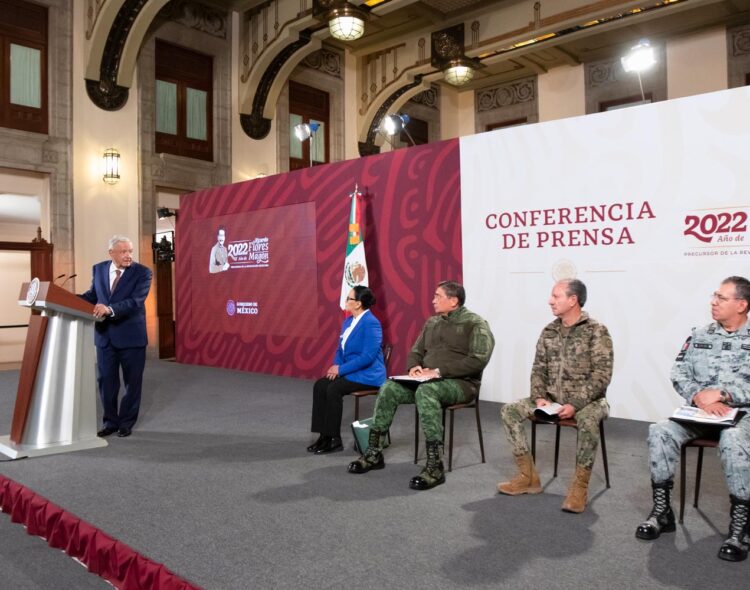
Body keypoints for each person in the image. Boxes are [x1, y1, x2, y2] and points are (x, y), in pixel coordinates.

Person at [635, 276, 750, 562]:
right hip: (700, 412)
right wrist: (700, 396)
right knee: (660, 430)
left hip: (743, 414)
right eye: (714, 296)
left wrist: (722, 394)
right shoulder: (700, 335)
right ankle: (662, 512)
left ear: (742, 304)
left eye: (721, 298)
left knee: (734, 439)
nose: (713, 302)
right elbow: (678, 372)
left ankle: (741, 527)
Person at [348, 280, 495, 490]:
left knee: (427, 391)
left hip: (460, 385)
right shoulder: (432, 323)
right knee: (388, 387)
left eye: (437, 296)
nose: (432, 300)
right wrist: (414, 367)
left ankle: (435, 465)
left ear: (453, 301)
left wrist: (438, 372)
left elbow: (478, 360)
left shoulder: (476, 324)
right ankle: (373, 452)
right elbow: (416, 351)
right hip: (425, 381)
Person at [498, 279, 613, 513]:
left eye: (556, 296)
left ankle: (579, 487)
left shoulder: (596, 331)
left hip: (588, 401)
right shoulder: (549, 331)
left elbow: (602, 375)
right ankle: (528, 476)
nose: (550, 301)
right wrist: (540, 397)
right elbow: (538, 368)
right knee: (508, 410)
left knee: (588, 420)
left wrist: (575, 403)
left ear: (573, 300)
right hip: (551, 400)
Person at [79, 236, 152, 438]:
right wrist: (68, 299)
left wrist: (109, 309)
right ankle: (110, 422)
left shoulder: (143, 273)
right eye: (123, 252)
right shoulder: (99, 269)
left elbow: (135, 301)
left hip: (132, 337)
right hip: (105, 337)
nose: (128, 255)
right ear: (111, 253)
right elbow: (93, 295)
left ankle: (126, 423)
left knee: (132, 383)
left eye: (130, 251)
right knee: (106, 382)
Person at [308, 286, 387, 454]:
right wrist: (336, 368)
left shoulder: (372, 323)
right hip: (351, 371)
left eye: (348, 299)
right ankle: (324, 436)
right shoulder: (348, 321)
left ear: (358, 303)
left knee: (334, 389)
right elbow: (340, 350)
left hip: (368, 374)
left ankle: (334, 439)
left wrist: (341, 369)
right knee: (320, 385)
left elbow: (368, 357)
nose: (345, 301)